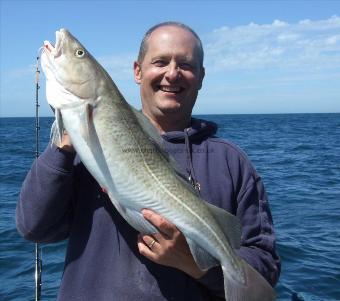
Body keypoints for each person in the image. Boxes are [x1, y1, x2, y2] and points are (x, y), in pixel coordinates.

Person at [16, 22, 280, 300]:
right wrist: (63, 150)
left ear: (201, 77)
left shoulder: (231, 162)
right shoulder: (78, 152)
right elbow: (34, 227)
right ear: (138, 71)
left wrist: (196, 266)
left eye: (186, 64)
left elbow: (264, 266)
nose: (172, 73)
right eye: (160, 61)